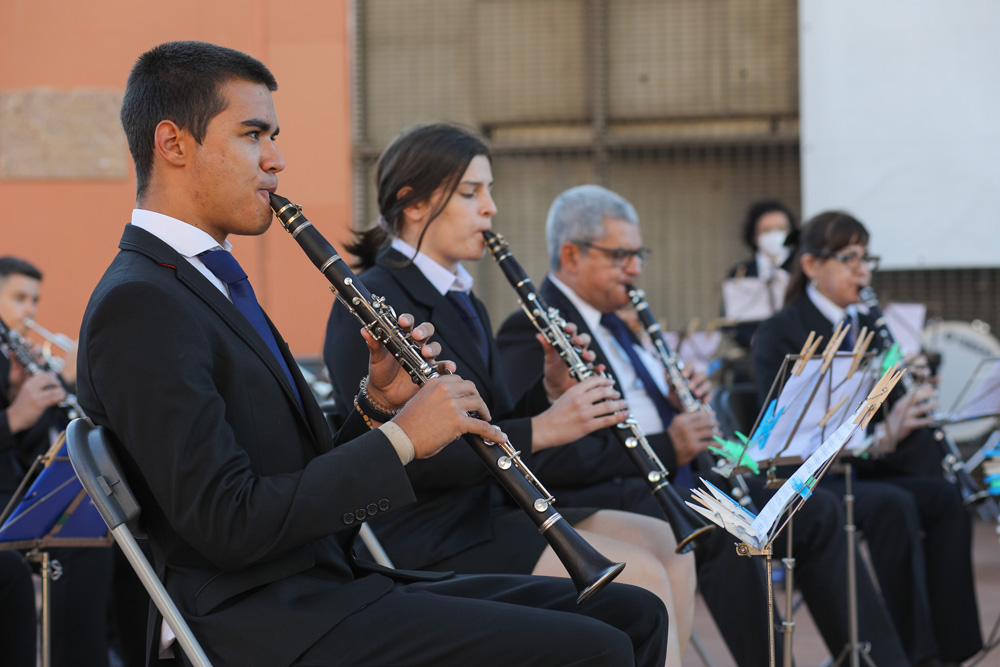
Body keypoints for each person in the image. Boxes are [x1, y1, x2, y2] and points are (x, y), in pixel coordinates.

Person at [77, 41, 668, 666]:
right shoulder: (141, 303)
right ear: (173, 144)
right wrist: (404, 440)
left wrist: (375, 410)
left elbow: (287, 471)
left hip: (328, 586)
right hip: (266, 624)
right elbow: (228, 522)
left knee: (634, 612)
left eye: (273, 135)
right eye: (254, 135)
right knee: (597, 647)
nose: (277, 160)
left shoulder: (200, 282)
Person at [324, 123, 695, 666]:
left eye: (488, 190)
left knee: (670, 545)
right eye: (472, 193)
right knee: (638, 577)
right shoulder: (372, 298)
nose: (490, 209)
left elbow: (487, 422)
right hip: (428, 529)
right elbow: (408, 456)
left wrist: (548, 393)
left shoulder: (463, 300)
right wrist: (544, 428)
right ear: (414, 203)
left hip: (492, 509)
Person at [496, 185, 913, 667]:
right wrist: (670, 443)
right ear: (571, 255)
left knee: (813, 512)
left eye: (638, 255)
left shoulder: (616, 325)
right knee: (728, 530)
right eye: (622, 256)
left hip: (678, 478)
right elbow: (540, 454)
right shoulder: (529, 329)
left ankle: (874, 659)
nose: (635, 269)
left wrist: (682, 405)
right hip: (614, 491)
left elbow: (649, 415)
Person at [753, 211, 982, 666]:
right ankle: (914, 654)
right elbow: (781, 433)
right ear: (812, 265)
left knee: (943, 498)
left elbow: (886, 408)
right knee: (894, 506)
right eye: (848, 257)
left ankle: (958, 651)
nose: (863, 269)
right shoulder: (781, 332)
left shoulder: (870, 326)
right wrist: (882, 433)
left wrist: (908, 401)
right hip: (812, 475)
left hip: (864, 464)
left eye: (866, 257)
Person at [0, 257, 122, 667]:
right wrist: (13, 415)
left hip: (15, 494)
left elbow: (25, 453)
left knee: (106, 535)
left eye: (34, 299)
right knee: (78, 546)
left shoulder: (10, 360)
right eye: (19, 298)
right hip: (7, 504)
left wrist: (24, 396)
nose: (30, 311)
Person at [723, 200, 798, 353]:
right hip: (754, 354)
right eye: (767, 230)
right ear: (754, 236)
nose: (774, 235)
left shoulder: (800, 269)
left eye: (781, 228)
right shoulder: (740, 273)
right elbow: (729, 322)